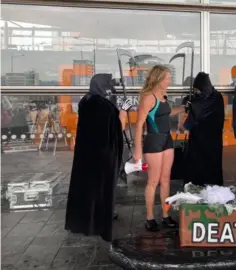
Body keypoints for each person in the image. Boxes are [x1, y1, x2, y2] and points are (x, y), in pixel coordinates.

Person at [65, 73, 133, 242]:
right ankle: (99, 221)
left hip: (86, 154)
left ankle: (83, 221)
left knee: (86, 188)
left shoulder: (85, 101)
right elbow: (117, 129)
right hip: (103, 155)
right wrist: (123, 111)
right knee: (101, 188)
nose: (111, 88)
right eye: (109, 85)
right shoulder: (104, 106)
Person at [134, 65, 185, 231]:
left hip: (167, 140)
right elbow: (140, 123)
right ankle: (149, 218)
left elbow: (166, 113)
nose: (170, 81)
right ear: (159, 79)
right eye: (168, 78)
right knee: (153, 181)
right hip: (154, 141)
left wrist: (184, 108)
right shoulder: (148, 97)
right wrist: (138, 150)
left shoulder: (164, 94)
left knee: (165, 180)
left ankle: (165, 215)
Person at [182, 72, 225, 186]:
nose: (197, 92)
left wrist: (191, 105)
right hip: (202, 139)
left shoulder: (215, 98)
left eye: (198, 89)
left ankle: (204, 184)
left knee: (207, 164)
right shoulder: (215, 97)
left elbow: (198, 111)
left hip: (209, 138)